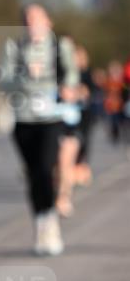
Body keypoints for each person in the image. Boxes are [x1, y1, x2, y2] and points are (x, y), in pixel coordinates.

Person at [0, 3, 78, 256]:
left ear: (48, 21)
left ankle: (51, 224)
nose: (31, 22)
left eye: (36, 17)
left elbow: (72, 75)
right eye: (27, 18)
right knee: (33, 175)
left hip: (51, 118)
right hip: (23, 119)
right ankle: (41, 224)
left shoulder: (60, 47)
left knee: (46, 169)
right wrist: (25, 77)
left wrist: (68, 88)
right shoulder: (14, 48)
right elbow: (4, 82)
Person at [55, 35, 83, 218]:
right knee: (55, 167)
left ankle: (63, 198)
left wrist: (76, 93)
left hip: (70, 125)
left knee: (66, 163)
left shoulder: (75, 72)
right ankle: (58, 195)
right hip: (50, 122)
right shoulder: (51, 70)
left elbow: (82, 94)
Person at [73, 45, 96, 187]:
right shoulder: (69, 72)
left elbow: (92, 90)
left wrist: (84, 91)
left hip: (85, 112)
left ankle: (83, 168)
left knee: (84, 140)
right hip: (71, 112)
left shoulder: (87, 73)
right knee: (72, 140)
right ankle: (73, 169)